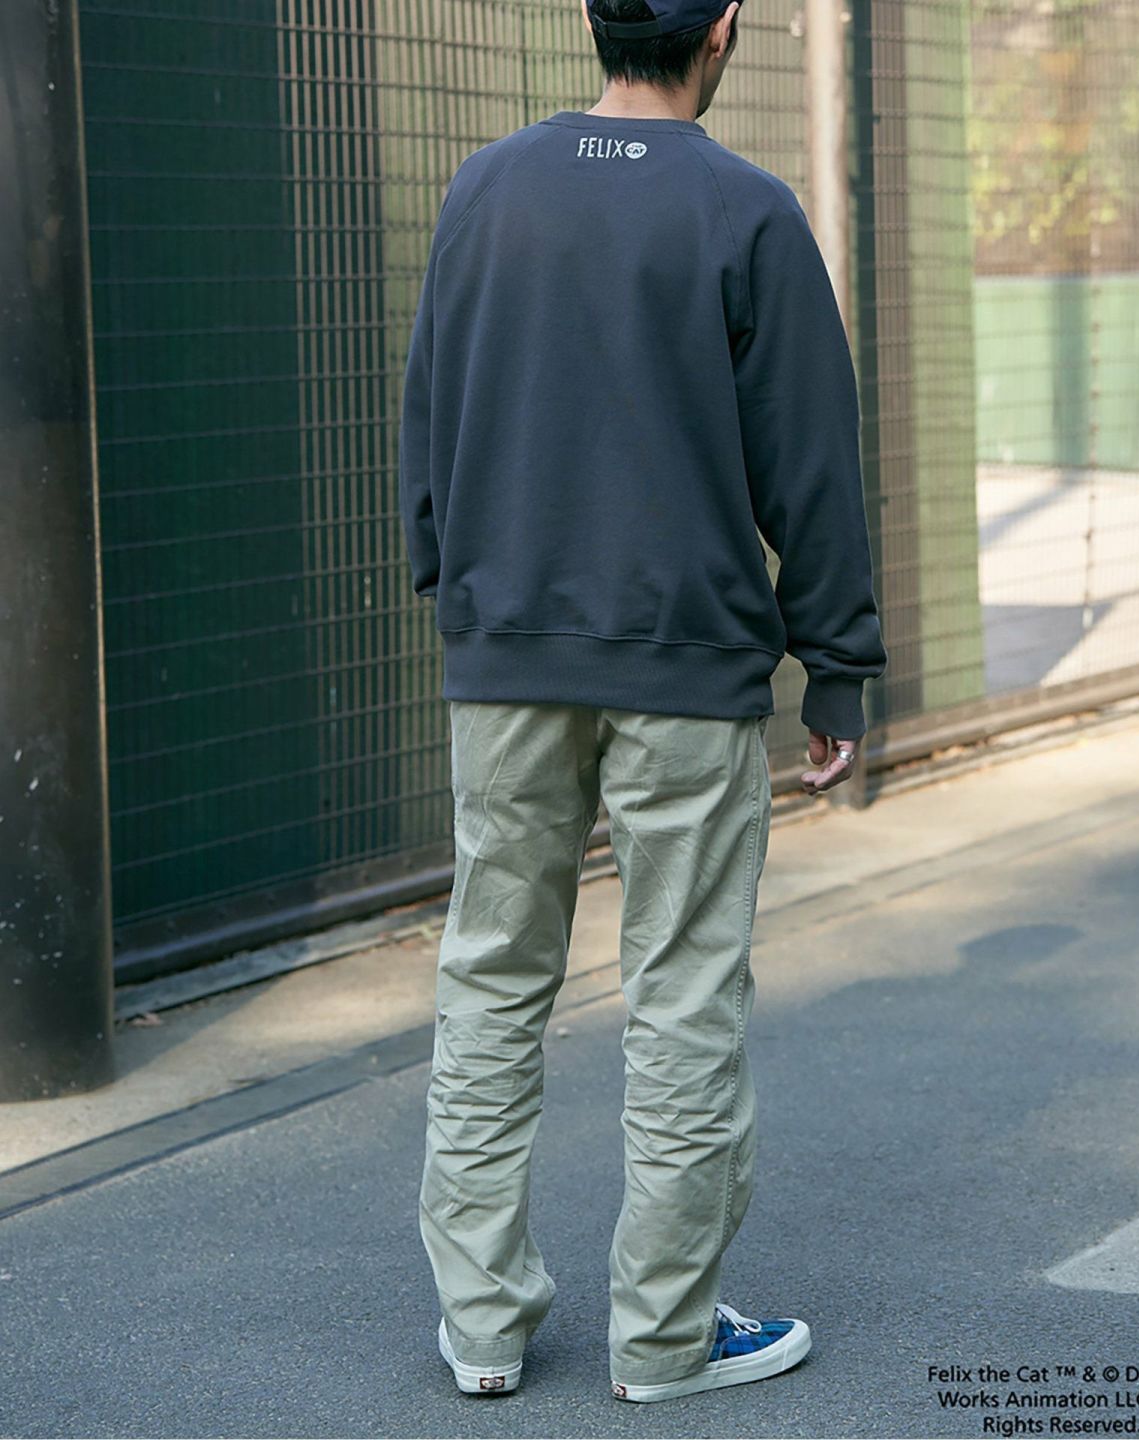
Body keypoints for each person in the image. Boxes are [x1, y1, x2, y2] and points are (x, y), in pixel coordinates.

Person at [398, 0, 888, 1404]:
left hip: (507, 652)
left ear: (594, 17)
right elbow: (811, 457)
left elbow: (428, 405)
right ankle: (665, 1340)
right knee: (681, 993)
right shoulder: (746, 210)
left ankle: (483, 1327)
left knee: (492, 977)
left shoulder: (486, 188)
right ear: (722, 31)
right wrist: (837, 662)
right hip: (688, 666)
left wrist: (452, 573)